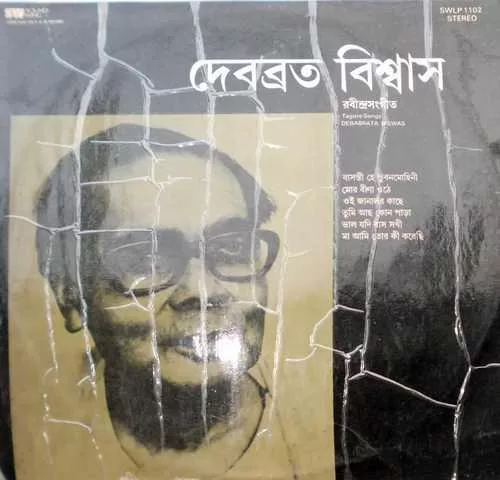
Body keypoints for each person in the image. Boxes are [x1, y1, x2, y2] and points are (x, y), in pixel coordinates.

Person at [34, 123, 284, 478]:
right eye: (147, 259)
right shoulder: (37, 440)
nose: (202, 291)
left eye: (231, 248)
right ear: (71, 297)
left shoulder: (337, 426)